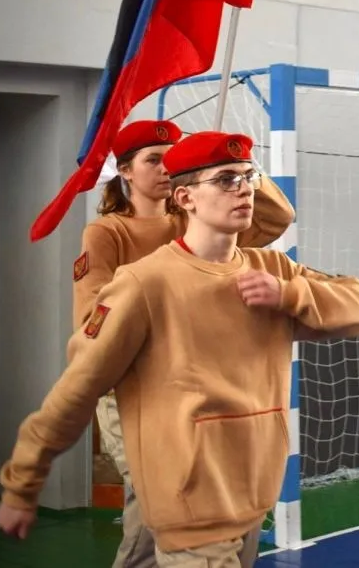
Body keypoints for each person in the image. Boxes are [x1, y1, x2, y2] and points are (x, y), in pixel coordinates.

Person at [0, 131, 359, 568]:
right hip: (187, 496)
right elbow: (78, 385)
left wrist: (289, 294)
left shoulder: (271, 269)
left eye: (248, 177)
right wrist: (23, 481)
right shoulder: (141, 280)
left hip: (250, 493)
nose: (244, 190)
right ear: (185, 197)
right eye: (226, 180)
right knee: (143, 530)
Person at [71, 119, 296, 568]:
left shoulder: (193, 219)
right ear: (126, 171)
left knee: (221, 499)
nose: (165, 168)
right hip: (135, 390)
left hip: (202, 385)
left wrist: (230, 161)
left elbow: (277, 217)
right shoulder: (109, 232)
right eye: (153, 160)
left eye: (172, 159)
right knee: (159, 499)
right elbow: (92, 314)